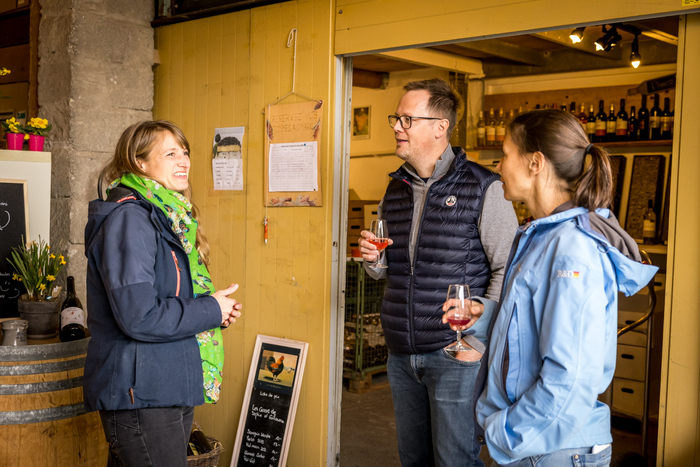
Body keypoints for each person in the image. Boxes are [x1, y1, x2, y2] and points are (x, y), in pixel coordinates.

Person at [470, 110, 658, 466]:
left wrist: (504, 433)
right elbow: (536, 327)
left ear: (535, 163)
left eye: (505, 154)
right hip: (538, 443)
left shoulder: (571, 249)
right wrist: (487, 316)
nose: (499, 166)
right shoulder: (543, 235)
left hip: (550, 449)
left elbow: (570, 379)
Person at [358, 78, 518, 467]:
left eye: (407, 119)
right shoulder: (394, 190)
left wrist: (478, 340)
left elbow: (508, 269)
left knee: (454, 461)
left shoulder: (485, 188)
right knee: (413, 459)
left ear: (439, 127)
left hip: (456, 353)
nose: (397, 126)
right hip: (401, 354)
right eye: (396, 118)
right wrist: (373, 259)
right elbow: (384, 271)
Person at [83, 120, 243, 466]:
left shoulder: (165, 216)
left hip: (165, 383)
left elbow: (167, 299)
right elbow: (138, 316)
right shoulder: (130, 219)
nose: (183, 161)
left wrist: (214, 310)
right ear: (140, 162)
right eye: (170, 153)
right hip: (142, 393)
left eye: (184, 152)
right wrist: (208, 311)